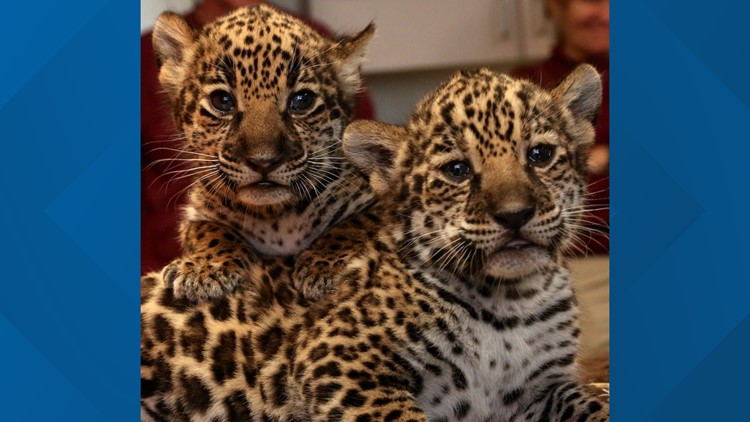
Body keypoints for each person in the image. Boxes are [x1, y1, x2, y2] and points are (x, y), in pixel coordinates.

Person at [141, 0, 376, 274]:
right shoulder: (138, 57)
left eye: (301, 100)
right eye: (221, 100)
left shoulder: (318, 42)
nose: (262, 154)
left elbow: (366, 155)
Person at [512, 0, 609, 255]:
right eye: (594, 0)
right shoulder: (522, 88)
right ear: (555, 6)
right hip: (577, 253)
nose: (608, 15)